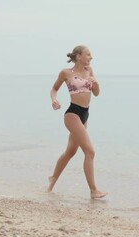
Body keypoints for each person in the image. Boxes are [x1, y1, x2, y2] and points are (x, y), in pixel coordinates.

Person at [47, 45, 107, 199]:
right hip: (72, 114)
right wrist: (54, 100)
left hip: (85, 114)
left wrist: (97, 84)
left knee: (70, 152)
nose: (91, 57)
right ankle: (93, 190)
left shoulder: (89, 70)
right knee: (90, 152)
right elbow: (54, 89)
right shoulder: (66, 73)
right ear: (79, 56)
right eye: (88, 54)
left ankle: (52, 179)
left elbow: (96, 94)